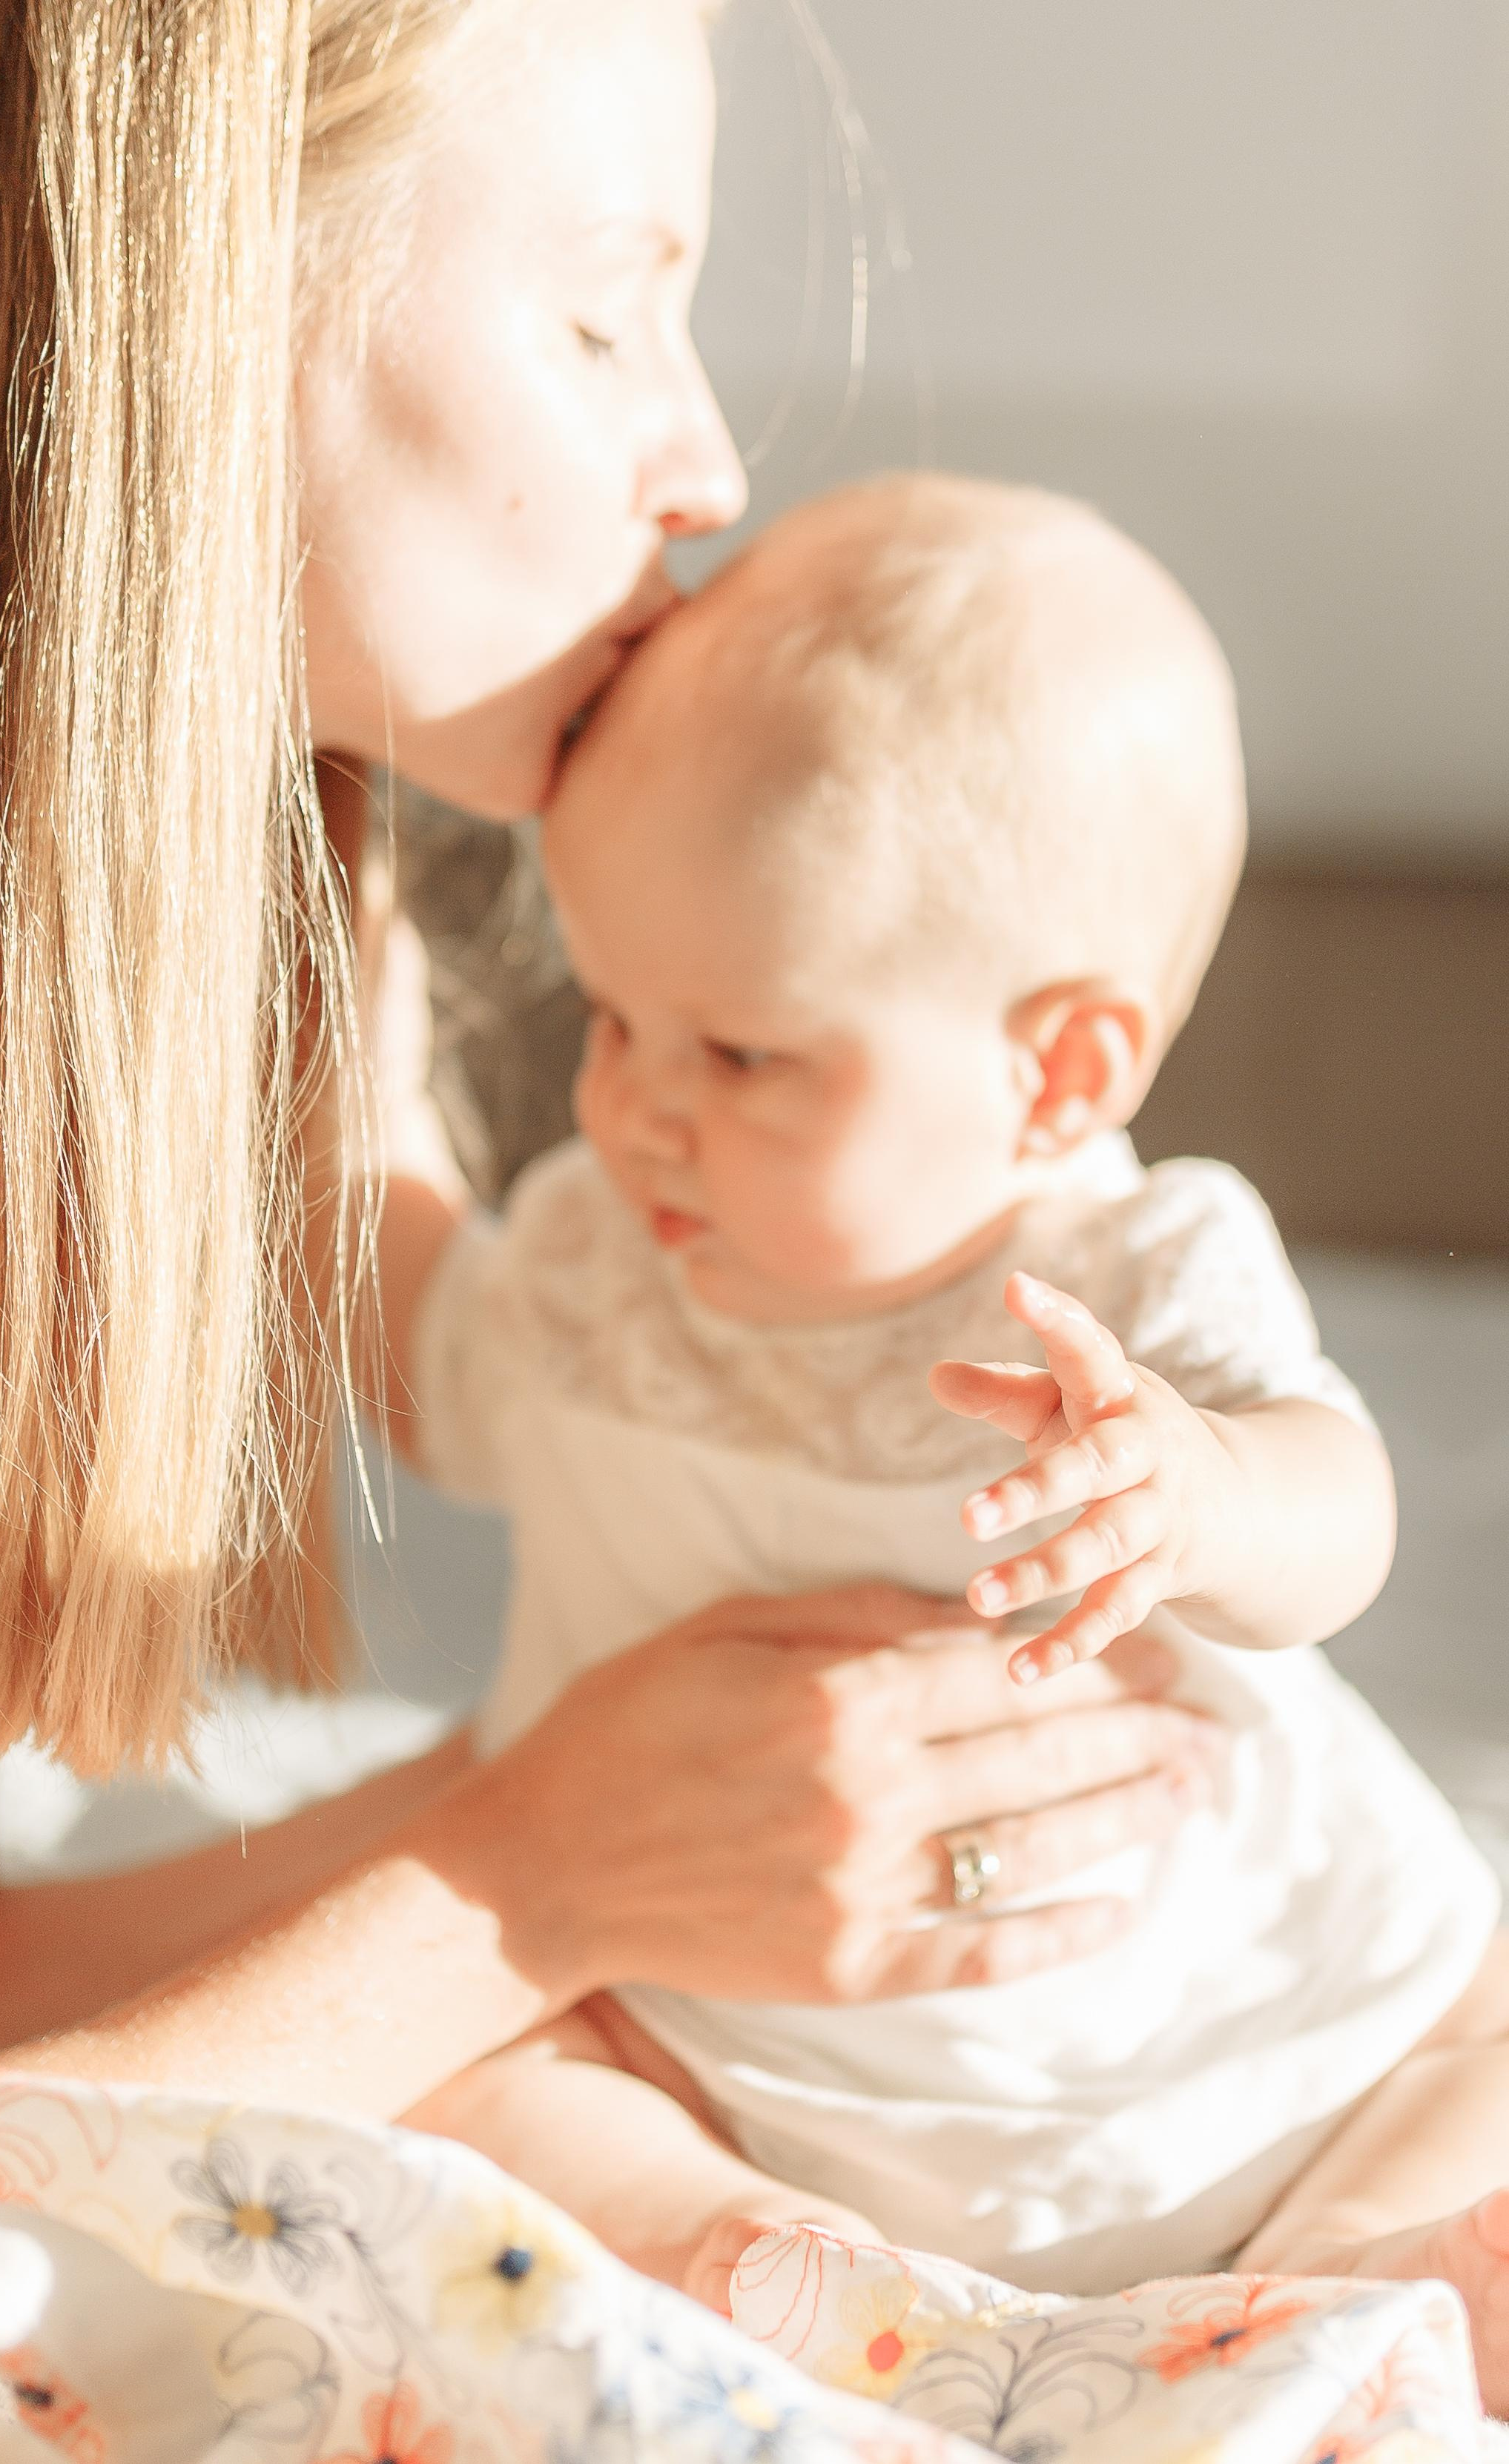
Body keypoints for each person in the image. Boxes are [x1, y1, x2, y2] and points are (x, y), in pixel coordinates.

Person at [0, 3, 1216, 2121]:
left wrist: (613, 1816)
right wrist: (524, 1879)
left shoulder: (134, 947)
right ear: (195, 292)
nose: (710, 468)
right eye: (600, 323)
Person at [374, 474, 1509, 2403]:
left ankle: (1335, 2283)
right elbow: (418, 1356)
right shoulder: (582, 1255)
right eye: (609, 1013)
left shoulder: (1122, 1272)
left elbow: (1343, 1512)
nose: (632, 1105)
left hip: (1258, 2056)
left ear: (1054, 1071)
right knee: (472, 2060)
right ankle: (742, 2263)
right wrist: (336, 1035)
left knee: (1474, 2014)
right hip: (743, 2069)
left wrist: (1198, 1485)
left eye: (734, 1051)